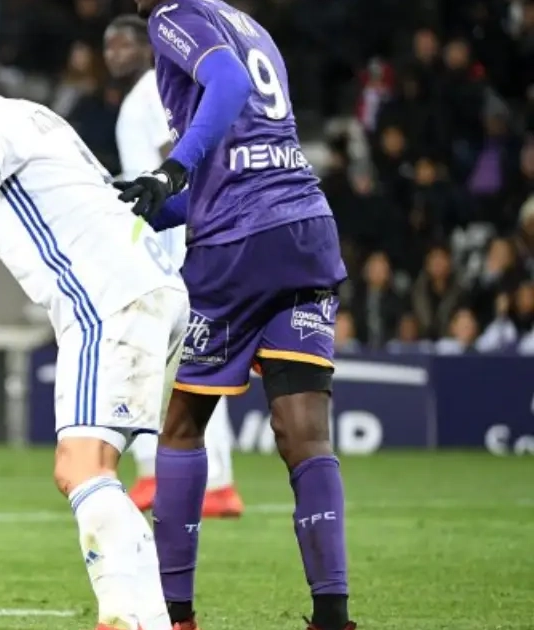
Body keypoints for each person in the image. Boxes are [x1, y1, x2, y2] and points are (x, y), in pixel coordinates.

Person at [0, 22, 190, 630]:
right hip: (154, 287)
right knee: (93, 468)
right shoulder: (36, 114)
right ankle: (146, 617)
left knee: (82, 469)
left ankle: (129, 618)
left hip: (105, 303)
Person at [114, 2, 353, 629]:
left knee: (179, 424)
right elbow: (244, 165)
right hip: (306, 229)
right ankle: (332, 616)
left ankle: (176, 615)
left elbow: (227, 81)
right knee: (305, 433)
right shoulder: (250, 26)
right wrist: (142, 205)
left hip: (237, 249)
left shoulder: (173, 14)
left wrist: (171, 169)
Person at [103, 14, 242, 518]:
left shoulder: (153, 91)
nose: (114, 54)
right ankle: (176, 476)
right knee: (171, 361)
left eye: (124, 44)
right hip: (159, 239)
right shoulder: (140, 96)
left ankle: (207, 480)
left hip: (173, 240)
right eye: (108, 46)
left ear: (149, 47)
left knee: (182, 360)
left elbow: (178, 155)